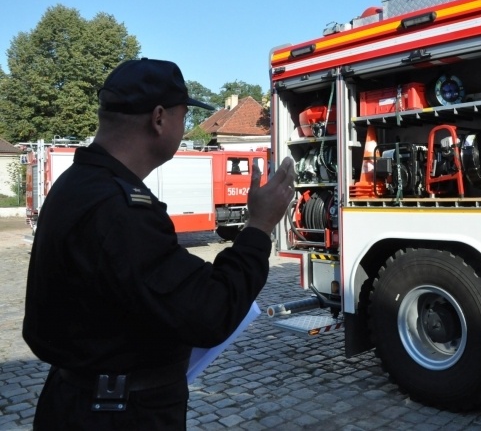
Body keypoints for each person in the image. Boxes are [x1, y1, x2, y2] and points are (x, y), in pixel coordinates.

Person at [23, 58, 295, 430]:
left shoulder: (77, 185)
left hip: (79, 401)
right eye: (183, 117)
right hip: (116, 416)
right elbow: (211, 312)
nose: (185, 128)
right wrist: (260, 226)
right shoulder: (118, 208)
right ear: (159, 119)